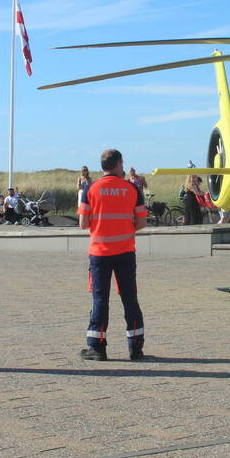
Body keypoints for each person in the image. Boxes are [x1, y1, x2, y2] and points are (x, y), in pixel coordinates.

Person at [77, 149, 148, 362]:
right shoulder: (133, 189)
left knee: (100, 299)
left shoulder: (90, 188)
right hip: (126, 251)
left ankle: (97, 348)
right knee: (129, 298)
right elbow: (142, 222)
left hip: (99, 253)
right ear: (118, 164)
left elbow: (83, 224)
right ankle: (135, 348)